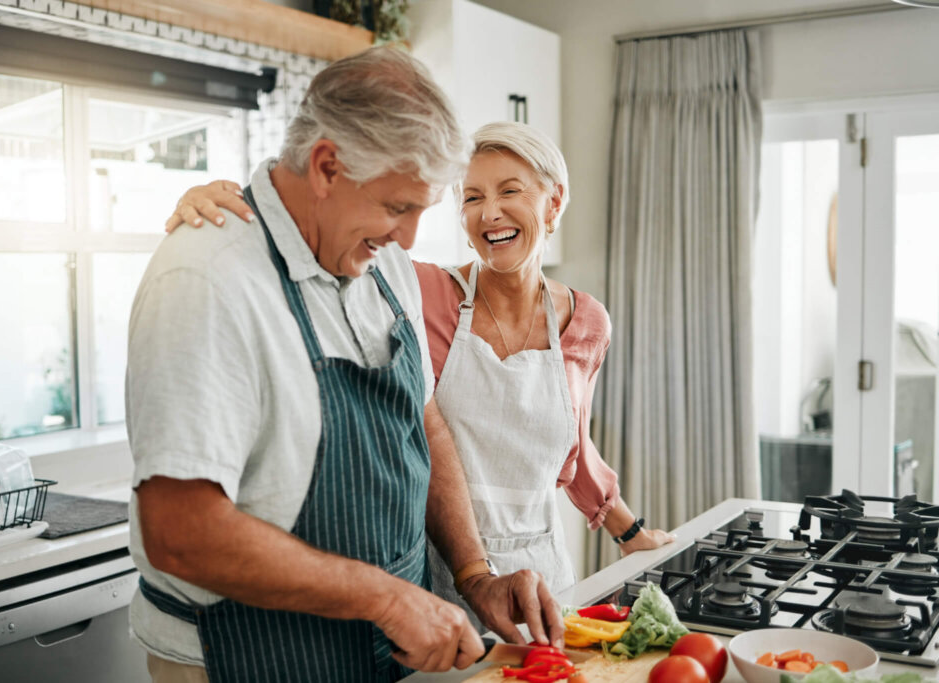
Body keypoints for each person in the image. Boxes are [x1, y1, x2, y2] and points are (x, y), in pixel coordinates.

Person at [128, 48, 564, 683]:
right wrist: (385, 598)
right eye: (397, 207)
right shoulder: (207, 280)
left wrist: (474, 576)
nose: (411, 238)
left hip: (383, 650)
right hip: (249, 657)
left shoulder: (382, 262)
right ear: (327, 166)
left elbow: (424, 421)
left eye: (421, 209)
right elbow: (180, 531)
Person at [169, 120, 675, 625]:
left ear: (554, 201)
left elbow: (572, 446)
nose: (489, 212)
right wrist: (227, 208)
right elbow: (317, 248)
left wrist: (632, 535)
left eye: (509, 191)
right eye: (472, 197)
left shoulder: (586, 321)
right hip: (435, 578)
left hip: (544, 581)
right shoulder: (422, 291)